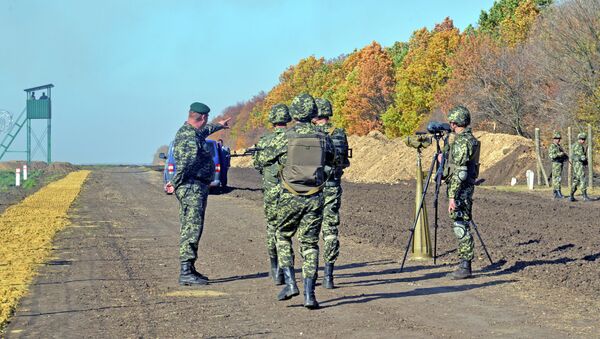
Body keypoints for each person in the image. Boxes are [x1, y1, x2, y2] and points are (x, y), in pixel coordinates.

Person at [260, 93, 334, 309]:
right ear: (313, 113)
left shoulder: (284, 137)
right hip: (314, 197)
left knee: (283, 237)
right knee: (310, 244)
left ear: (294, 114)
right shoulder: (323, 137)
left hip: (289, 196)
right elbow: (332, 161)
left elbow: (264, 160)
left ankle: (291, 283)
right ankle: (310, 295)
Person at [166, 102, 230, 285]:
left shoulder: (193, 132)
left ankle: (190, 268)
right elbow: (187, 163)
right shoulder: (188, 137)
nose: (207, 122)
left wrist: (219, 125)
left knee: (194, 226)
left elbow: (206, 130)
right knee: (191, 228)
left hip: (196, 187)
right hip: (191, 187)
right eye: (207, 119)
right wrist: (174, 183)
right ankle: (185, 271)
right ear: (202, 117)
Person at [252, 103, 292, 286]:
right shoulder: (295, 138)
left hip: (271, 193)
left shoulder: (265, 141)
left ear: (273, 120)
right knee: (289, 231)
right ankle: (288, 268)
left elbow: (258, 165)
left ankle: (275, 268)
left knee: (272, 229)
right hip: (293, 192)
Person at [313, 98, 350, 289]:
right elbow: (344, 161)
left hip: (311, 189)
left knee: (310, 231)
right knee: (330, 230)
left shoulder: (309, 134)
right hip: (333, 186)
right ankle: (329, 276)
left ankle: (310, 275)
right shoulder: (339, 134)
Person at [442, 105, 480, 279]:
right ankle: (465, 264)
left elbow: (460, 172)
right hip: (466, 188)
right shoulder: (470, 139)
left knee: (460, 225)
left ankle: (465, 266)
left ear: (454, 122)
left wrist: (452, 196)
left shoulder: (462, 142)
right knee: (461, 223)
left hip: (460, 190)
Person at [569, 132, 590, 202]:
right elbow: (575, 156)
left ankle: (571, 196)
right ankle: (584, 196)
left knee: (576, 180)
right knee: (582, 179)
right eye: (582, 139)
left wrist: (584, 160)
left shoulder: (576, 145)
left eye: (584, 139)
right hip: (578, 165)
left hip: (577, 165)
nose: (583, 141)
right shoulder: (577, 146)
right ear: (579, 139)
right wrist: (582, 158)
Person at [548, 132, 568, 199]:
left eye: (559, 138)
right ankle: (557, 192)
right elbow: (551, 156)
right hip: (556, 164)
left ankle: (556, 192)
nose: (558, 140)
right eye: (556, 138)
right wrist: (560, 154)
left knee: (558, 178)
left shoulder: (559, 146)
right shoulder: (552, 146)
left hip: (560, 163)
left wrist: (564, 156)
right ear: (554, 139)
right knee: (557, 178)